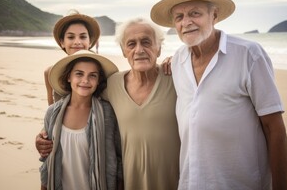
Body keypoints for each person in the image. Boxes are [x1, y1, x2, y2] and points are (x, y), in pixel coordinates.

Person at [150, 0, 287, 190]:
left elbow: (275, 128)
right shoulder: (177, 61)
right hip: (191, 183)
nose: (186, 22)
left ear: (214, 16)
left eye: (195, 13)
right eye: (179, 16)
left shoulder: (249, 54)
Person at [36, 18, 180, 190]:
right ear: (123, 51)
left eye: (147, 42)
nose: (139, 50)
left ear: (159, 48)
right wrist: (43, 136)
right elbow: (68, 109)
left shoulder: (177, 78)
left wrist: (178, 60)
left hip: (174, 180)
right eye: (131, 44)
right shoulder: (113, 85)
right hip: (129, 181)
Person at [39, 50, 123, 190]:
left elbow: (117, 159)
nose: (85, 80)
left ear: (98, 81)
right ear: (68, 77)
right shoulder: (52, 113)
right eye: (79, 74)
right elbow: (46, 161)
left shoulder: (107, 113)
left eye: (92, 76)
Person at [44, 11, 100, 105]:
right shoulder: (50, 72)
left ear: (90, 41)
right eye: (71, 37)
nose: (77, 42)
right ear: (62, 42)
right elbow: (51, 108)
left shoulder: (101, 70)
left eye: (82, 37)